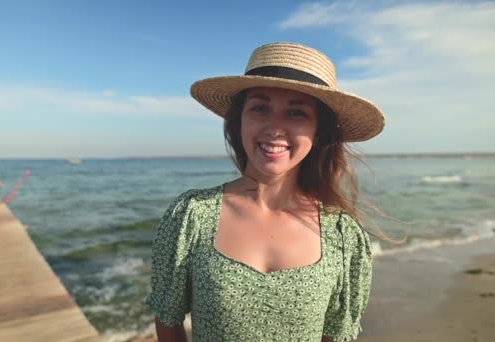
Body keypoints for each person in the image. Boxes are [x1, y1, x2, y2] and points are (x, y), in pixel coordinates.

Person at [145, 42, 385, 342]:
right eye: (260, 108)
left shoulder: (343, 235)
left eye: (296, 113)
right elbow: (168, 321)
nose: (275, 128)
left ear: (318, 131)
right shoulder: (192, 215)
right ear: (239, 120)